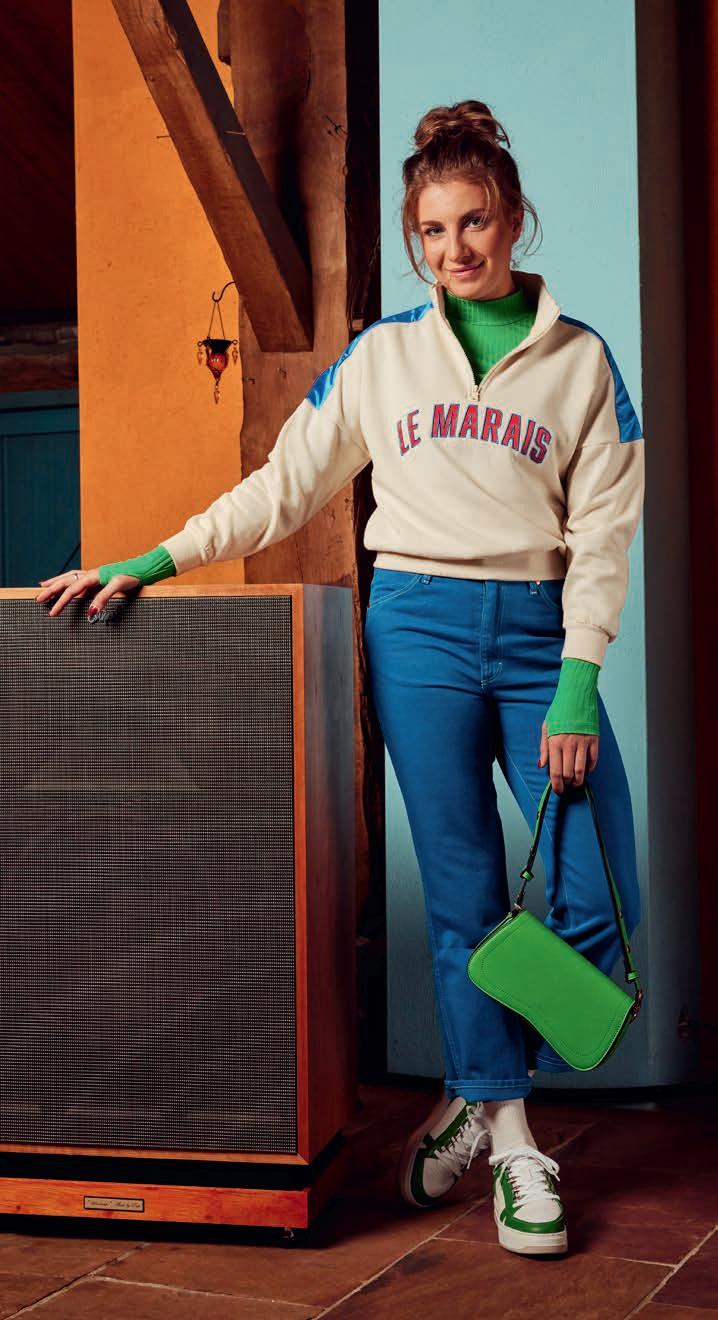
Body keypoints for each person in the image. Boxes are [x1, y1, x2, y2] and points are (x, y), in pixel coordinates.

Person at [36, 99, 644, 1259]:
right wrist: (151, 559)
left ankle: (474, 1089)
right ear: (415, 239)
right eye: (432, 230)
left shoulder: (579, 362)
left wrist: (578, 681)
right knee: (464, 892)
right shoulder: (382, 359)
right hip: (416, 626)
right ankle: (516, 1141)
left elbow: (605, 533)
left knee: (593, 894)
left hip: (539, 632)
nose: (454, 248)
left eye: (474, 222)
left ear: (513, 217)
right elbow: (281, 488)